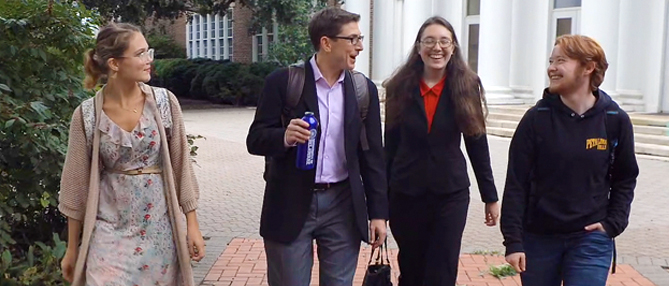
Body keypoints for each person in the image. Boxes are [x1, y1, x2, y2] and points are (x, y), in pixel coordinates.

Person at [246, 7, 388, 286]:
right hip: (289, 201)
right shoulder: (284, 82)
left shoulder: (363, 90)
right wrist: (284, 137)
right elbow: (256, 139)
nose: (359, 47)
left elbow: (372, 156)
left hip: (343, 205)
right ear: (326, 43)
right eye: (353, 39)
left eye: (360, 39)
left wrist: (379, 213)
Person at [59, 23, 205, 286]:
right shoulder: (87, 115)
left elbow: (182, 165)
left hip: (160, 231)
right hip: (108, 230)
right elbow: (75, 185)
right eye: (140, 54)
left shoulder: (164, 103)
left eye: (148, 51)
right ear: (114, 64)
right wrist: (72, 249)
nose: (148, 60)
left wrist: (192, 224)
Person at [500, 34, 639, 286]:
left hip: (590, 238)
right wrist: (513, 241)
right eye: (551, 60)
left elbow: (625, 177)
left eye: (561, 60)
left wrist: (613, 223)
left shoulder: (614, 119)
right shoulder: (536, 119)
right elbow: (516, 184)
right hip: (539, 238)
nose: (551, 67)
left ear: (588, 67)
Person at [383, 16, 500, 286]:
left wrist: (490, 196)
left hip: (450, 195)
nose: (437, 48)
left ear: (454, 47)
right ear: (419, 47)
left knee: (442, 270)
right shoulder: (398, 87)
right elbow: (389, 147)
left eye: (444, 41)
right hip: (405, 195)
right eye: (430, 41)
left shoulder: (466, 85)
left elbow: (477, 143)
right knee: (412, 269)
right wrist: (379, 202)